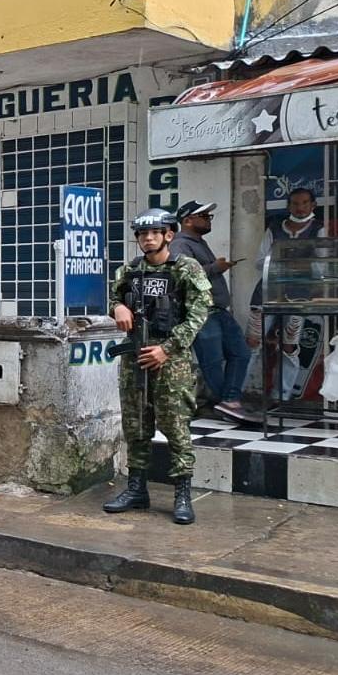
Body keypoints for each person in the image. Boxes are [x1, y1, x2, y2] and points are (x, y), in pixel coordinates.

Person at [104, 209, 213, 525]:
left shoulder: (185, 268)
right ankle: (136, 488)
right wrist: (118, 306)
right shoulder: (130, 269)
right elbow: (113, 296)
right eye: (142, 234)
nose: (147, 238)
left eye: (155, 232)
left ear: (169, 235)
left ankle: (182, 494)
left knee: (176, 425)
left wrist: (167, 349)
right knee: (136, 425)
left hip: (171, 362)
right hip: (135, 358)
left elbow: (198, 314)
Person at [171, 200, 253, 421]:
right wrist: (216, 267)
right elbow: (183, 276)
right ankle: (225, 401)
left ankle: (229, 399)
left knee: (241, 353)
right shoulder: (180, 245)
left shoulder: (198, 242)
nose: (208, 220)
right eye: (204, 216)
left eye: (209, 216)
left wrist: (216, 267)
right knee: (212, 360)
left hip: (218, 311)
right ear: (187, 221)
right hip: (202, 312)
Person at [248, 187, 327, 400]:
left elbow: (321, 267)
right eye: (295, 203)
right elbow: (259, 261)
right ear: (288, 206)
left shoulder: (319, 229)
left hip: (299, 295)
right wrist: (298, 265)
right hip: (265, 293)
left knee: (290, 344)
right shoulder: (274, 228)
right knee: (253, 341)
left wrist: (285, 264)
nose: (299, 208)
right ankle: (237, 393)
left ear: (313, 205)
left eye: (304, 203)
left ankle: (281, 395)